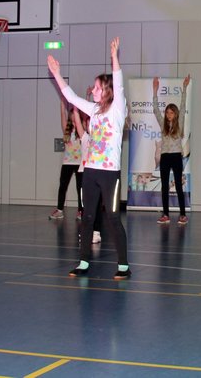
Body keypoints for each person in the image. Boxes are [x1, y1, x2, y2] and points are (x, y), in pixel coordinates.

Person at [47, 37, 131, 279]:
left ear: (106, 91)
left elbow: (118, 82)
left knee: (113, 218)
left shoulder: (117, 109)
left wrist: (114, 58)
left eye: (96, 87)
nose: (92, 90)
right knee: (87, 217)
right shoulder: (93, 110)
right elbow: (71, 98)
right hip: (90, 172)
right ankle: (83, 262)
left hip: (110, 174)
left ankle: (123, 266)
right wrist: (57, 74)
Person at [153, 75, 190, 225]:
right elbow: (156, 110)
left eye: (171, 112)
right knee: (164, 186)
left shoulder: (179, 123)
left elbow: (183, 106)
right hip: (165, 157)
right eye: (167, 112)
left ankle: (183, 215)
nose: (168, 115)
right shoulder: (163, 124)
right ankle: (166, 214)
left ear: (175, 114)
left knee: (179, 186)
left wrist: (184, 88)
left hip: (176, 157)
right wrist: (155, 91)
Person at [72, 100, 102, 245]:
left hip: (97, 174)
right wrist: (75, 107)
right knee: (85, 206)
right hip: (83, 174)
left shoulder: (102, 140)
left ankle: (96, 233)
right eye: (88, 123)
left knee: (97, 205)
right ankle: (86, 232)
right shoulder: (85, 138)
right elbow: (78, 123)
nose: (90, 126)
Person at [49, 100, 83, 220]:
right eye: (71, 113)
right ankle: (59, 210)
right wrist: (62, 102)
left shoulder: (82, 128)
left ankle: (81, 211)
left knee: (80, 188)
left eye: (75, 113)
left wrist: (87, 97)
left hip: (80, 163)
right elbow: (62, 114)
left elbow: (86, 114)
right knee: (62, 186)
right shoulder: (67, 129)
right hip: (67, 162)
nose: (73, 115)